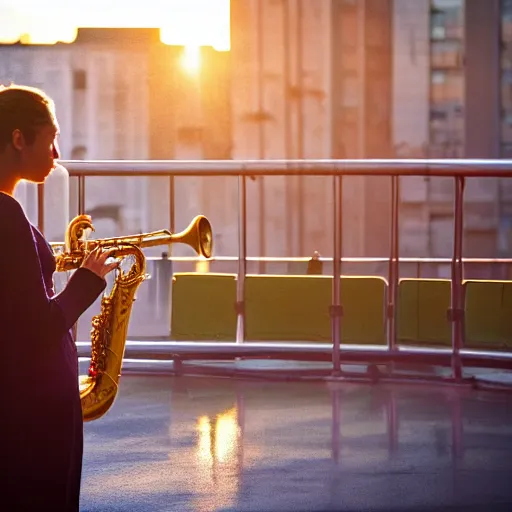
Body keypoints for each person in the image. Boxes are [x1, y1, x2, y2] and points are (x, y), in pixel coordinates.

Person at [0, 84, 118, 510]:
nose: (56, 155)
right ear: (18, 139)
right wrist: (88, 280)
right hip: (33, 405)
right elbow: (38, 326)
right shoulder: (7, 214)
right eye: (51, 140)